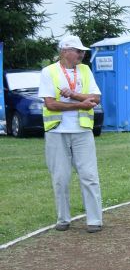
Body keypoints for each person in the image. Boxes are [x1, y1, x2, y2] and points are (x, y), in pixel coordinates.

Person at [40, 35, 103, 232]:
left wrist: (74, 95)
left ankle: (94, 220)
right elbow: (50, 103)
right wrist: (81, 104)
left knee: (90, 176)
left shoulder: (85, 70)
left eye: (82, 51)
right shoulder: (48, 72)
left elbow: (96, 98)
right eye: (77, 51)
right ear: (65, 51)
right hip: (56, 132)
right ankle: (63, 218)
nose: (81, 54)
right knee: (60, 177)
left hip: (82, 131)